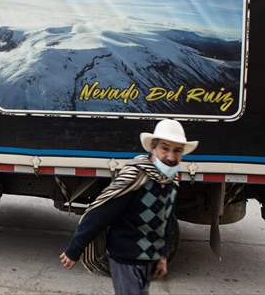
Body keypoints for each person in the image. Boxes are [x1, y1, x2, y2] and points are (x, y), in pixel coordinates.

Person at [59, 119, 198, 295]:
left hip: (148, 259)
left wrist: (162, 256)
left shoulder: (171, 180)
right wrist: (74, 250)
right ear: (153, 148)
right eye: (165, 148)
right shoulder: (135, 177)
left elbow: (166, 220)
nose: (171, 156)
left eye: (177, 150)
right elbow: (101, 213)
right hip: (125, 258)